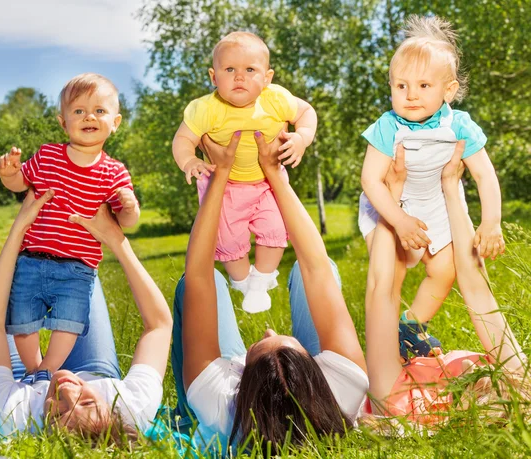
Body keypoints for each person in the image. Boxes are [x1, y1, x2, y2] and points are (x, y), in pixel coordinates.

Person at [171, 130, 368, 455]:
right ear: (314, 371)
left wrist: (220, 176)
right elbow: (316, 266)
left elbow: (199, 277)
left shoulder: (216, 403)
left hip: (220, 402)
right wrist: (275, 174)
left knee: (197, 287)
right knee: (322, 272)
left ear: (241, 383)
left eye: (258, 346)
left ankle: (183, 414)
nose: (269, 328)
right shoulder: (346, 386)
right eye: (284, 339)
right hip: (317, 391)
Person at [358, 16, 505, 359]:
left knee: (445, 270)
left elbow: (484, 174)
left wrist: (491, 222)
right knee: (390, 274)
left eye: (424, 86)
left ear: (448, 90)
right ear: (391, 86)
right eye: (401, 86)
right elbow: (371, 180)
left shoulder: (459, 124)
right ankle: (383, 338)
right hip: (392, 205)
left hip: (438, 203)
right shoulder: (387, 126)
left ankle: (409, 326)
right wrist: (399, 221)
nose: (410, 96)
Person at [0, 190, 172, 443]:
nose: (66, 388)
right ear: (112, 413)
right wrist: (116, 240)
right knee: (76, 270)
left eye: (57, 415)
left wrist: (19, 231)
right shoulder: (130, 407)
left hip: (22, 384)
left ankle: (39, 372)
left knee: (19, 277)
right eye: (88, 402)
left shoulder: (9, 414)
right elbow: (159, 325)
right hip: (92, 370)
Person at [365, 140, 528, 425]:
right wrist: (450, 187)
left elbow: (382, 289)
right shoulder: (518, 382)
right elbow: (477, 288)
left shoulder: (398, 404)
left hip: (356, 374)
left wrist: (393, 193)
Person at [0, 73, 140, 381]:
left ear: (115, 122)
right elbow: (21, 182)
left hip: (78, 268)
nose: (89, 116)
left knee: (69, 323)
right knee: (23, 322)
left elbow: (124, 223)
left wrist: (129, 207)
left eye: (100, 111)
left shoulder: (114, 173)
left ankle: (48, 370)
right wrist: (9, 175)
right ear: (63, 122)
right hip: (33, 259)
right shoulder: (48, 155)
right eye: (79, 111)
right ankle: (34, 370)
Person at [172, 31, 317, 313]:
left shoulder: (275, 99)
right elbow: (183, 139)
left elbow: (306, 112)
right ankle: (241, 282)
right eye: (230, 70)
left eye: (250, 70)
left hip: (266, 184)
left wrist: (302, 137)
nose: (239, 77)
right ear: (214, 77)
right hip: (225, 187)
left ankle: (261, 281)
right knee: (227, 240)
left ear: (267, 77)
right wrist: (189, 160)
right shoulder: (205, 109)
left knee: (276, 230)